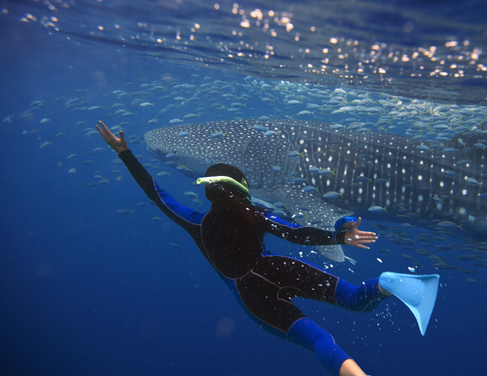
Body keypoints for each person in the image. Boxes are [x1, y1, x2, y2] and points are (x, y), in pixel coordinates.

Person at [96, 121, 440, 376]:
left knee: (319, 341)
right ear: (242, 187)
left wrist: (125, 153)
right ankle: (386, 283)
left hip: (255, 295)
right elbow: (299, 234)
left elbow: (156, 194)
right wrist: (338, 236)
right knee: (354, 300)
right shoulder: (257, 214)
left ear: (207, 191)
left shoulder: (196, 224)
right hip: (281, 268)